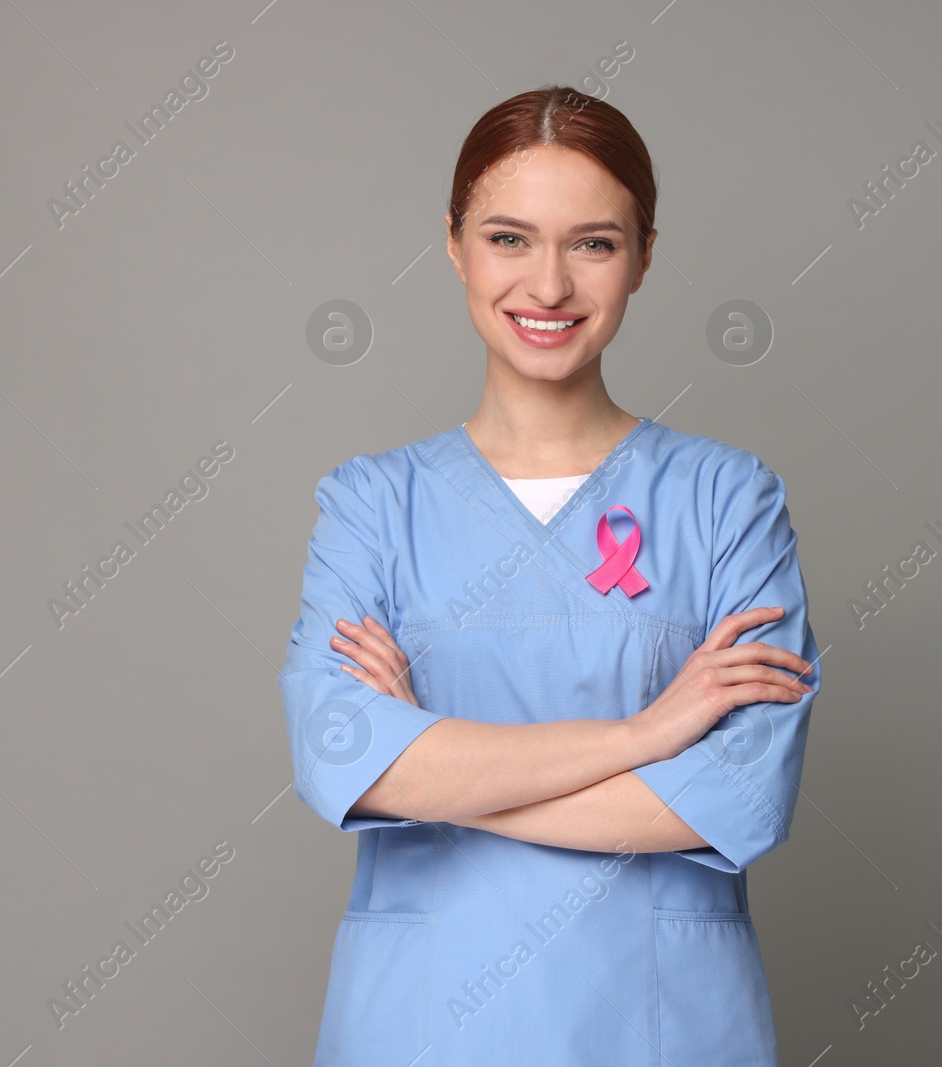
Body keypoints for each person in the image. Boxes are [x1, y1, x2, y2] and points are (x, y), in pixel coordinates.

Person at [280, 84, 821, 1067]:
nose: (548, 285)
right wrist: (641, 734)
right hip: (421, 1021)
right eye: (508, 238)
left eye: (595, 243)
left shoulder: (723, 500)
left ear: (645, 256)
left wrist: (433, 772)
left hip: (656, 1019)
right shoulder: (371, 504)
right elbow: (338, 755)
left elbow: (733, 795)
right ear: (452, 245)